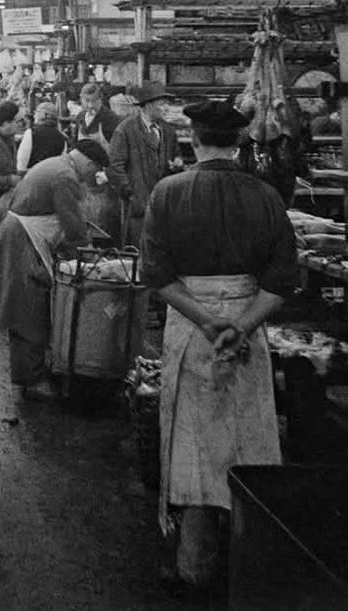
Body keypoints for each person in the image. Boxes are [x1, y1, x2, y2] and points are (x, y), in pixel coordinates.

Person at [141, 100, 297, 593]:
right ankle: (250, 564)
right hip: (248, 327)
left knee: (193, 444)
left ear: (193, 140)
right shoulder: (267, 196)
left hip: (193, 327)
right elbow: (280, 281)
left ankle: (194, 564)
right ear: (239, 142)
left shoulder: (168, 192)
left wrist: (210, 321)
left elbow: (157, 276)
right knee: (249, 441)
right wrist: (241, 326)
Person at [0, 140, 112, 400]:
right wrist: (88, 255)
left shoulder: (58, 164)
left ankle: (30, 374)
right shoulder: (66, 176)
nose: (94, 175)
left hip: (19, 235)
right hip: (22, 240)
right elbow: (72, 224)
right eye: (97, 169)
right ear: (89, 163)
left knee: (25, 307)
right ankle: (32, 381)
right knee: (29, 309)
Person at [107, 81, 183, 247]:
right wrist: (131, 193)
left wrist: (178, 163)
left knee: (162, 246)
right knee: (139, 246)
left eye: (167, 104)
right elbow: (115, 166)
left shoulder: (168, 131)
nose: (166, 108)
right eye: (162, 104)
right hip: (138, 205)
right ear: (148, 105)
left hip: (163, 202)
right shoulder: (125, 130)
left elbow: (176, 155)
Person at [16, 100, 67, 173]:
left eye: (36, 112)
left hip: (32, 176)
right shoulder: (62, 137)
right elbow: (62, 163)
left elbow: (21, 165)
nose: (34, 115)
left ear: (42, 115)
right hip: (54, 176)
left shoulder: (31, 133)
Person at [75, 83, 119, 149]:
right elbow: (74, 141)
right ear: (81, 100)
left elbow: (116, 148)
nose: (91, 105)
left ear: (100, 100)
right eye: (87, 101)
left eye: (94, 101)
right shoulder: (80, 116)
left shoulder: (110, 117)